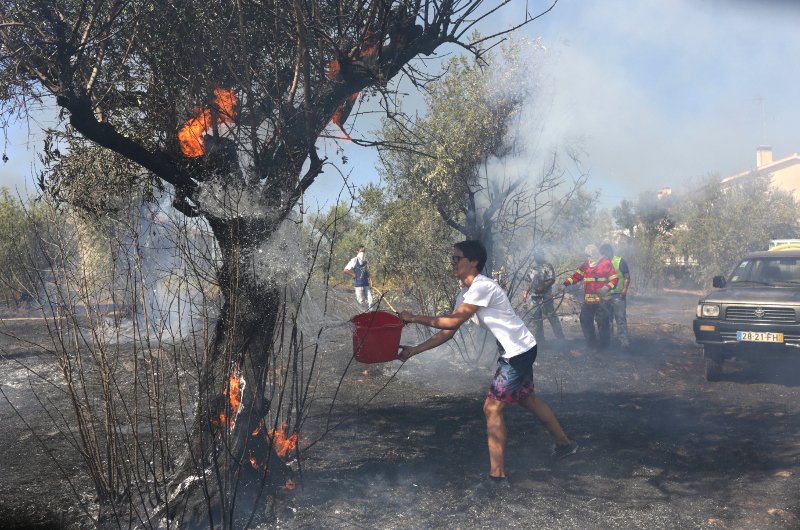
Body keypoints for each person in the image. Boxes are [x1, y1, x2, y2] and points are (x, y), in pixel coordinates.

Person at [398, 240, 578, 484]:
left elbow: (450, 323)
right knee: (528, 400)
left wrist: (413, 318)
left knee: (491, 408)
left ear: (473, 262)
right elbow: (449, 331)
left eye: (456, 258)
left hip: (517, 353)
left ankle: (497, 476)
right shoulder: (466, 293)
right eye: (451, 258)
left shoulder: (483, 286)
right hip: (519, 349)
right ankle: (565, 445)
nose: (452, 263)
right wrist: (414, 350)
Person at [562, 244, 618, 350]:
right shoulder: (586, 264)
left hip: (602, 301)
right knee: (585, 320)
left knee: (603, 323)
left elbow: (614, 279)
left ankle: (604, 347)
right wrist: (565, 284)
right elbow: (576, 276)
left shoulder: (606, 263)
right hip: (588, 301)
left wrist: (605, 289)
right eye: (587, 255)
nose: (588, 257)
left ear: (595, 253)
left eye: (590, 255)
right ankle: (591, 344)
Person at [522, 250, 565, 342]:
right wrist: (526, 292)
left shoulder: (547, 265)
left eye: (538, 255)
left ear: (542, 255)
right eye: (535, 255)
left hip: (546, 296)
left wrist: (543, 286)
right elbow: (529, 281)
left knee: (551, 315)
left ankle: (561, 338)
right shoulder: (532, 267)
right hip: (534, 296)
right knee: (536, 317)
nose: (536, 257)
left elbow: (552, 279)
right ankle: (540, 340)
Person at [599, 243, 631, 348]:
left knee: (620, 319)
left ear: (610, 251)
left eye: (604, 253)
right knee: (607, 319)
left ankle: (624, 341)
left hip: (618, 295)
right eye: (601, 253)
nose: (603, 255)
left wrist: (625, 290)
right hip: (605, 296)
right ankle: (609, 341)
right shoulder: (601, 263)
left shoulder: (619, 261)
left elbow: (627, 276)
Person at [343, 244, 373, 310]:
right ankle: (363, 316)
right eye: (361, 251)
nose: (362, 253)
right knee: (361, 302)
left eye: (363, 252)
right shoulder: (354, 260)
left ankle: (371, 314)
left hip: (366, 285)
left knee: (370, 301)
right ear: (357, 251)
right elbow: (345, 270)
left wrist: (371, 282)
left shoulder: (366, 261)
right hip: (358, 286)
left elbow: (368, 272)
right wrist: (353, 275)